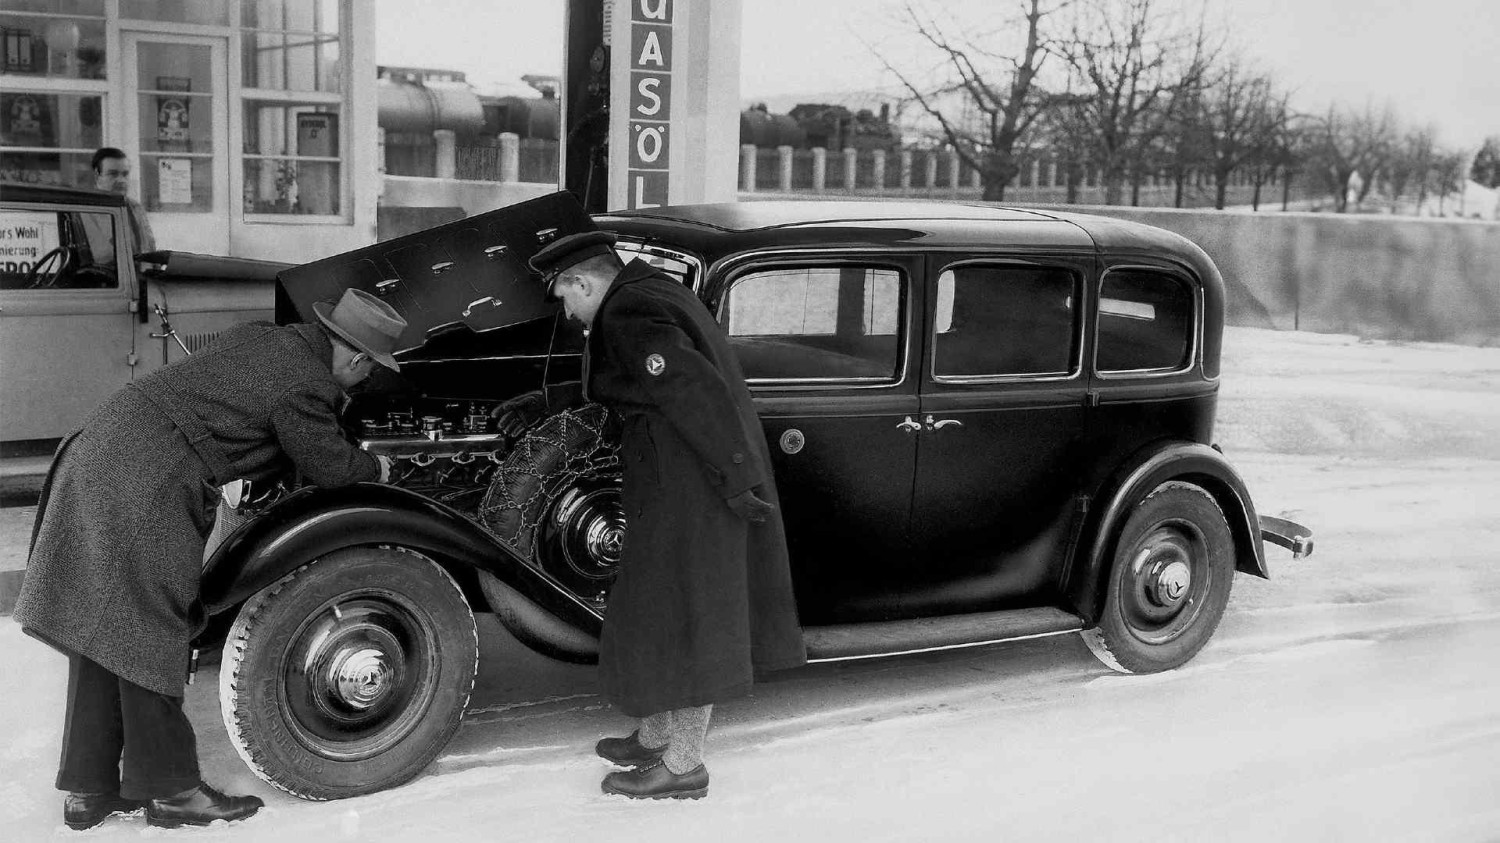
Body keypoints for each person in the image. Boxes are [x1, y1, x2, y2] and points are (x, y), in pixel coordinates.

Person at [14, 288, 405, 830]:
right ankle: (174, 792)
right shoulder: (305, 382)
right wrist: (377, 468)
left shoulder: (266, 340)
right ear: (357, 356)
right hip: (145, 476)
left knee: (101, 628)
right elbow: (331, 467)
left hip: (100, 449)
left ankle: (90, 787)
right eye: (371, 371)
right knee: (149, 627)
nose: (367, 382)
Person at [513, 231, 806, 800]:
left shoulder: (630, 309)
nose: (569, 313)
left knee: (689, 618)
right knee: (656, 610)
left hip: (692, 486)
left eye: (565, 298)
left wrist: (738, 478)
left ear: (583, 281)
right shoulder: (647, 291)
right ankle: (655, 735)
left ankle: (684, 764)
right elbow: (646, 389)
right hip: (676, 482)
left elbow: (696, 395)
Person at [81, 147, 156, 262]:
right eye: (113, 174)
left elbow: (150, 247)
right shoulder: (85, 211)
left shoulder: (135, 208)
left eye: (125, 174)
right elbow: (101, 255)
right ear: (97, 176)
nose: (121, 180)